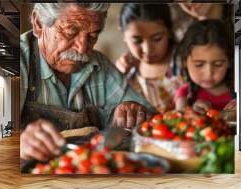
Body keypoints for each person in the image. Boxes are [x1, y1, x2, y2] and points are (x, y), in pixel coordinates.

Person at [20, 3, 155, 161]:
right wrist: (21, 140)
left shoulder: (99, 65)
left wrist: (133, 113)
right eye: (71, 32)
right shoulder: (19, 62)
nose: (83, 49)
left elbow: (153, 120)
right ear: (38, 24)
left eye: (92, 36)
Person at [115, 3, 181, 113]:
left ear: (169, 31)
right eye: (137, 41)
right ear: (123, 35)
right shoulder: (127, 72)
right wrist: (117, 78)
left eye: (157, 39)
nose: (148, 50)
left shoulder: (186, 61)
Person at [174, 19, 236, 120]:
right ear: (185, 61)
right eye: (199, 65)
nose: (208, 73)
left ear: (229, 61)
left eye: (218, 64)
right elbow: (181, 122)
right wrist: (193, 113)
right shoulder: (184, 94)